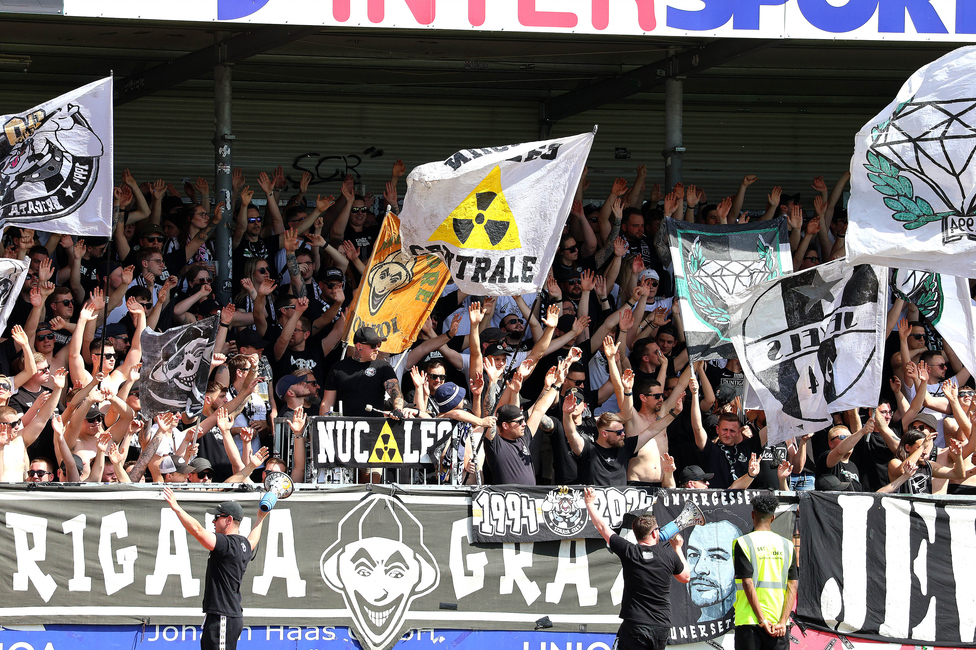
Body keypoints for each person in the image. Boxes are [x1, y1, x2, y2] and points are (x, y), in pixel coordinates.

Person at [583, 487, 690, 650]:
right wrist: (678, 548)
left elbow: (603, 528)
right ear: (655, 534)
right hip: (660, 626)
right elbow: (685, 577)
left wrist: (590, 503)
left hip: (635, 625)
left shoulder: (629, 551)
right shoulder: (668, 555)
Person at [163, 491, 268, 650]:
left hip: (223, 616)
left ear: (229, 520)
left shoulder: (226, 545)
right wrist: (261, 517)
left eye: (217, 517)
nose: (213, 521)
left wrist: (176, 508)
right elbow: (253, 538)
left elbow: (197, 530)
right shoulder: (244, 545)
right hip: (225, 615)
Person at [733, 493, 798, 650]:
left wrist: (762, 620)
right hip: (778, 624)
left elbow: (747, 583)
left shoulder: (743, 542)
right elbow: (793, 585)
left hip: (749, 620)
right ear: (773, 517)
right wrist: (783, 621)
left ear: (752, 515)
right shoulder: (787, 545)